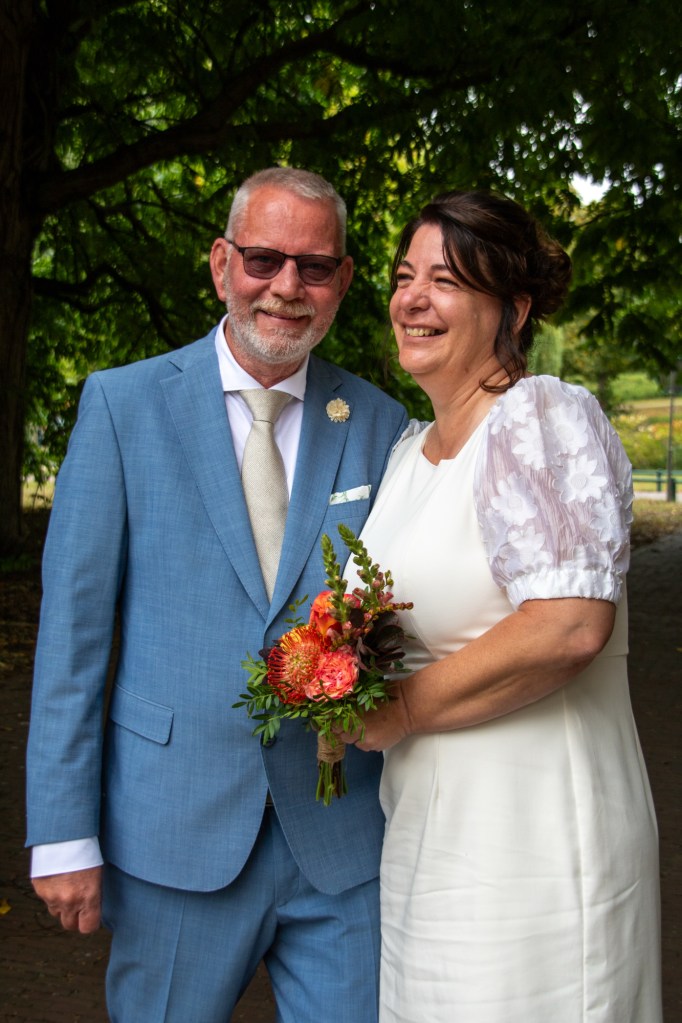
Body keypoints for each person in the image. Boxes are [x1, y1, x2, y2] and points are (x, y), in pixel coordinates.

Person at [25, 166, 408, 1022]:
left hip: (343, 841)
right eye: (265, 258)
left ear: (343, 281)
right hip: (171, 837)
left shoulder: (381, 424)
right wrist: (62, 832)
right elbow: (73, 640)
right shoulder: (122, 407)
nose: (286, 287)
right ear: (221, 264)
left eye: (314, 267)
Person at [343, 190, 662, 1021]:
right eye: (404, 276)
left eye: (445, 280)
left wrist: (401, 709)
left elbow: (569, 623)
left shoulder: (540, 417)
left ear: (513, 308)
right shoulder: (412, 452)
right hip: (426, 839)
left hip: (534, 845)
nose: (412, 298)